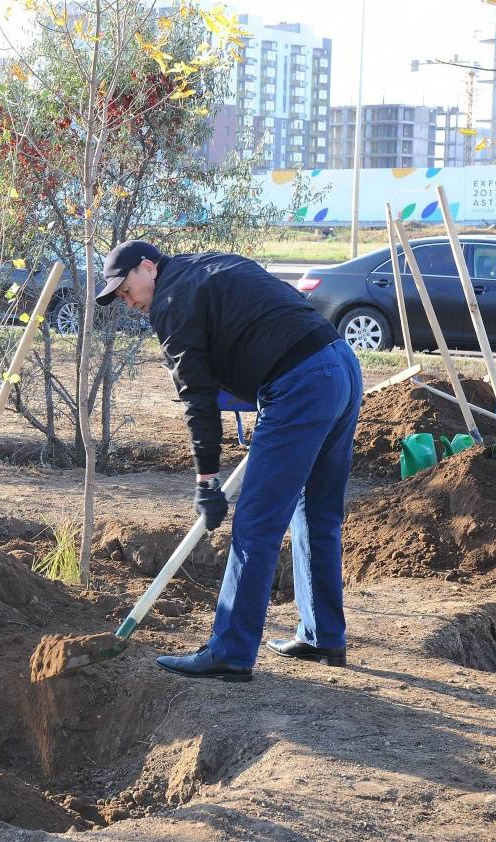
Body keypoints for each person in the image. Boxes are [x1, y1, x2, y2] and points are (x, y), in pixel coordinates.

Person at [96, 240, 361, 682]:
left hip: (299, 382)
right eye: (121, 297)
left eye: (126, 290)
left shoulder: (170, 303)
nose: (129, 302)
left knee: (256, 522)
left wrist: (206, 480)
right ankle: (322, 635)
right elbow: (255, 326)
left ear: (148, 266)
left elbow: (198, 399)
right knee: (315, 511)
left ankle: (231, 651)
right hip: (340, 366)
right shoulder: (208, 265)